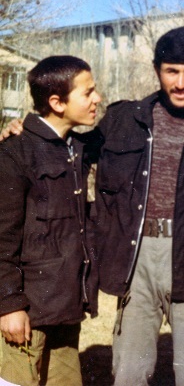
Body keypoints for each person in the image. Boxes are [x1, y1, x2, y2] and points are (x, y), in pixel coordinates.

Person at [92, 27, 184, 385]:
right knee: (129, 373)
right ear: (157, 69)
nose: (180, 82)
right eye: (171, 71)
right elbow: (72, 150)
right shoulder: (122, 119)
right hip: (137, 257)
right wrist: (24, 130)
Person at [0, 56, 101, 386]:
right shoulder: (15, 152)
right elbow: (2, 238)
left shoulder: (77, 147)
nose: (97, 99)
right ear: (57, 103)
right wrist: (9, 306)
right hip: (27, 312)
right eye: (88, 93)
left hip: (65, 307)